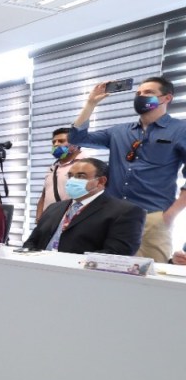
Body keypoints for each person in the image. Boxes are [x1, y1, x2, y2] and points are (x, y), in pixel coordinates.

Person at [68, 77, 186, 262]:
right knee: (101, 269)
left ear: (167, 98)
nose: (141, 96)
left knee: (150, 275)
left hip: (152, 217)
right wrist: (90, 104)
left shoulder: (180, 129)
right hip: (111, 215)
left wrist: (170, 215)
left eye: (148, 92)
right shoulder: (119, 131)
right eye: (138, 93)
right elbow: (77, 138)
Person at [24, 158, 145, 255]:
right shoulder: (54, 208)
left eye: (80, 176)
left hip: (81, 273)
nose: (72, 180)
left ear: (101, 181)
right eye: (70, 176)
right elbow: (31, 242)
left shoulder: (125, 212)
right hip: (41, 269)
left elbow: (115, 254)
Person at [36, 128, 86, 222]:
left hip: (69, 223)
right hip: (48, 222)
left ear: (75, 144)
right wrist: (39, 218)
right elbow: (44, 194)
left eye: (61, 141)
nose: (56, 144)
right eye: (54, 142)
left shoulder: (86, 165)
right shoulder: (53, 167)